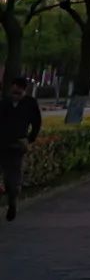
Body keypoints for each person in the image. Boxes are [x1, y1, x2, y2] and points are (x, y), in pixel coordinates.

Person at [0, 78, 42, 221]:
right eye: (13, 89)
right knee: (5, 176)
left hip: (18, 145)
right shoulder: (5, 102)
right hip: (2, 143)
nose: (15, 93)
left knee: (13, 178)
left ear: (24, 90)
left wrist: (30, 139)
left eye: (18, 90)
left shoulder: (30, 104)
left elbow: (37, 123)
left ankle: (12, 201)